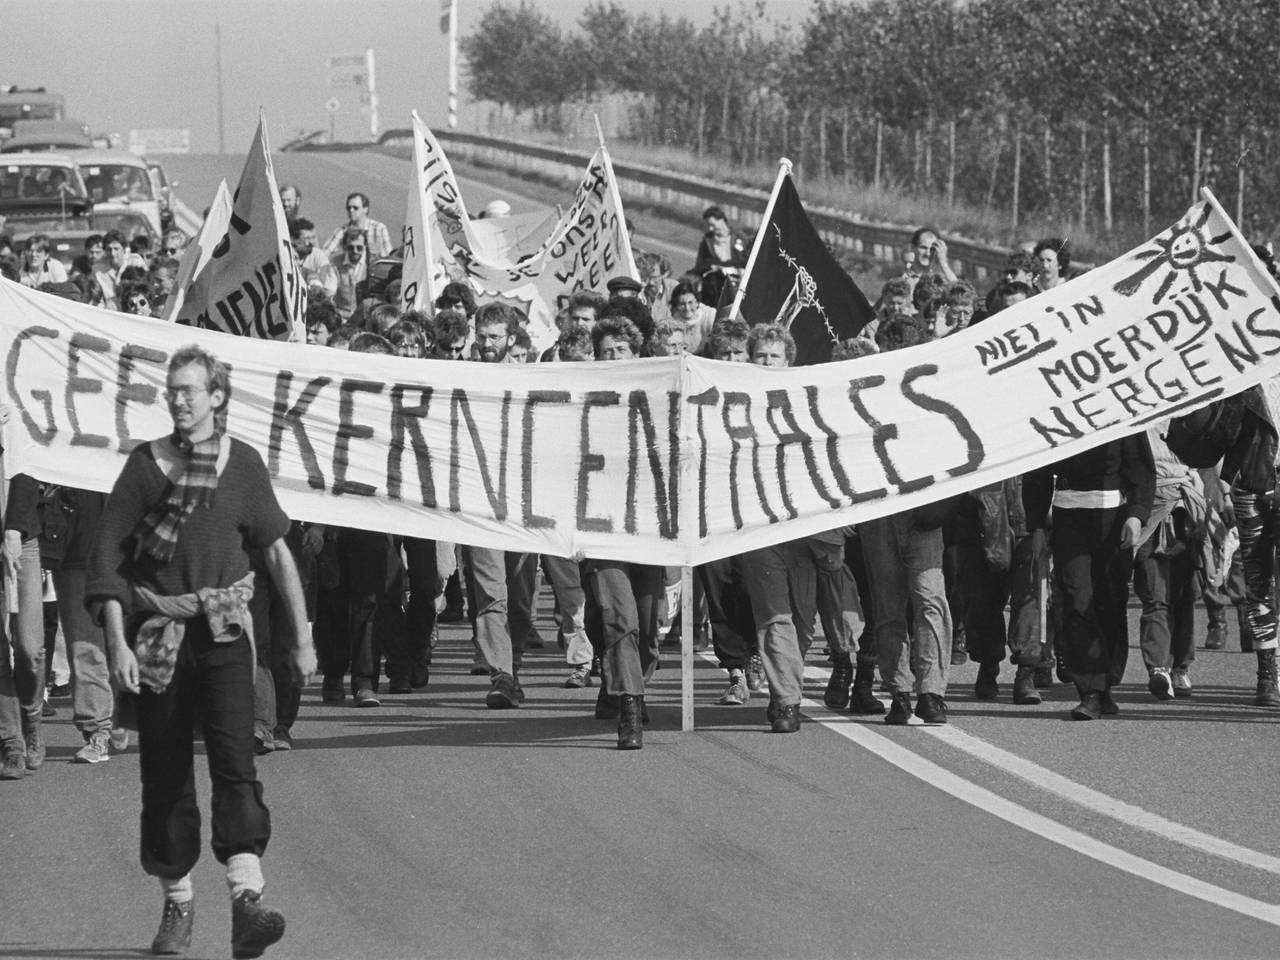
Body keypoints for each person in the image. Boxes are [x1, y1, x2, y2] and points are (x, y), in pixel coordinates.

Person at [86, 345, 314, 958]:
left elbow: (274, 550)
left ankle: (247, 902)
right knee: (164, 775)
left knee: (236, 763)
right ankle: (178, 902)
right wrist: (116, 642)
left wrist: (303, 637)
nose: (178, 400)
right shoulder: (143, 466)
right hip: (158, 636)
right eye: (173, 390)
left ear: (217, 397)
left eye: (190, 390)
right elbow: (107, 561)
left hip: (224, 635)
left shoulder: (241, 465)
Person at [1024, 435, 1155, 720]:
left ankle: (1106, 682)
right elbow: (1038, 469)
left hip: (1113, 520)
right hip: (1069, 518)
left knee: (1111, 601)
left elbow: (1140, 467)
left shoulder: (1119, 407)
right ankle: (1090, 691)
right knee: (1076, 599)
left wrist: (1136, 514)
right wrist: (1037, 526)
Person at [693, 205, 748, 308]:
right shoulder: (707, 241)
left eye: (712, 225)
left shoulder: (740, 238)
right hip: (716, 285)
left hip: (738, 281)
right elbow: (700, 265)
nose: (710, 228)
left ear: (721, 220)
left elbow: (748, 261)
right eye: (708, 226)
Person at [323, 192, 392, 260]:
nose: (351, 210)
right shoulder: (342, 230)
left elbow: (389, 255)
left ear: (365, 209)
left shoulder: (379, 228)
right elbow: (325, 252)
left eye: (355, 208)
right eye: (348, 208)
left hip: (374, 268)